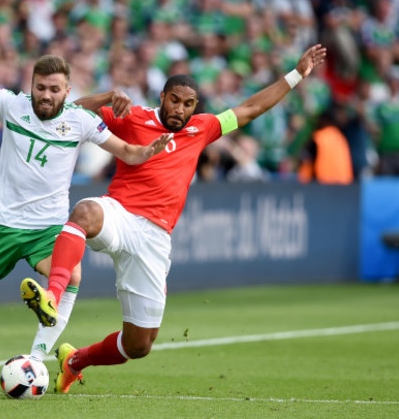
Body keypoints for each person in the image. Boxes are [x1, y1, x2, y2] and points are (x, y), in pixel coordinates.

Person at [19, 44, 327, 393]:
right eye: (174, 100)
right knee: (85, 212)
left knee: (139, 345)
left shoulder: (202, 129)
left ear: (195, 107)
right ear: (162, 96)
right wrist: (104, 97)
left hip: (155, 238)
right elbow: (69, 110)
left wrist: (297, 74)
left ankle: (75, 361)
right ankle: (53, 297)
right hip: (119, 214)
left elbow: (251, 108)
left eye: (188, 104)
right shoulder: (133, 117)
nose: (180, 109)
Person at [0, 41, 172, 391]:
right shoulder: (12, 105)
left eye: (54, 89)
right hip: (1, 226)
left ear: (67, 92)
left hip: (47, 228)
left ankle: (36, 359)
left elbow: (129, 153)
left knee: (71, 275)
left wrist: (151, 150)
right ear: (31, 85)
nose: (46, 95)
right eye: (40, 87)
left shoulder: (80, 120)